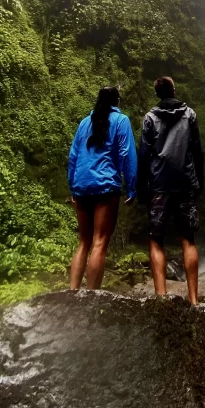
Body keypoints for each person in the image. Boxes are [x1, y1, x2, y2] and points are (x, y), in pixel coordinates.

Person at [138, 77, 204, 304]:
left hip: (159, 186)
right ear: (174, 90)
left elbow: (144, 157)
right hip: (186, 183)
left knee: (156, 239)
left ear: (157, 94)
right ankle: (194, 300)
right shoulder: (190, 115)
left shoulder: (149, 118)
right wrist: (199, 183)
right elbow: (198, 152)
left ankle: (161, 298)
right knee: (188, 239)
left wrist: (141, 189)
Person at [68, 86, 137, 289]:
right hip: (105, 187)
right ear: (117, 101)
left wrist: (73, 186)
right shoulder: (121, 121)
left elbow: (73, 156)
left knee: (84, 242)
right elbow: (126, 154)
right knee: (99, 242)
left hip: (81, 185)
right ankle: (91, 296)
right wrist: (132, 187)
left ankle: (72, 292)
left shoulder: (84, 123)